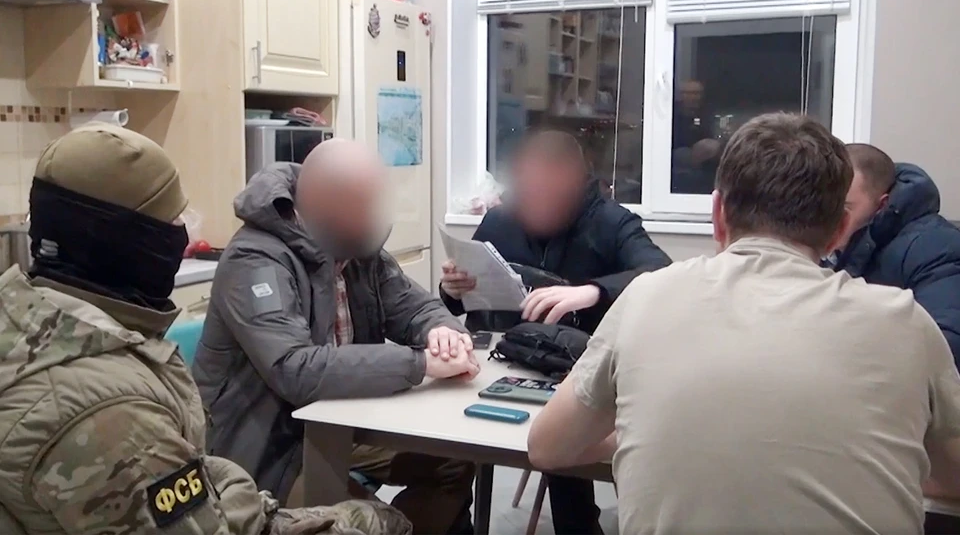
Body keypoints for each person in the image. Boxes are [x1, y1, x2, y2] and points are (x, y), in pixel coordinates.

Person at [528, 113, 960, 535]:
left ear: (717, 214)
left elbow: (547, 447)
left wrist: (634, 436)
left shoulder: (646, 298)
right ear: (840, 229)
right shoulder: (906, 323)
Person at [0, 124, 410, 534]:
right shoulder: (110, 410)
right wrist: (368, 520)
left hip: (241, 478)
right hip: (270, 457)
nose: (182, 237)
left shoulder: (28, 319)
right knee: (381, 520)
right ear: (122, 239)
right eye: (171, 221)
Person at [193, 139, 477, 535]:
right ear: (327, 212)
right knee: (366, 522)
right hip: (271, 450)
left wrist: (443, 333)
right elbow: (295, 369)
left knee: (453, 461)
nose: (380, 219)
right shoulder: (255, 260)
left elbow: (414, 307)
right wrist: (421, 363)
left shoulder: (356, 248)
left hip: (342, 423)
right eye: (366, 208)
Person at [441, 129, 671, 535]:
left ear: (579, 183)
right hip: (506, 361)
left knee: (564, 446)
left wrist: (592, 291)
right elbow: (460, 302)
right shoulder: (501, 220)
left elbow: (662, 272)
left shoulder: (611, 221)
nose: (538, 202)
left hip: (583, 370)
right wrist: (453, 289)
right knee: (451, 442)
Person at [830, 144, 960, 364]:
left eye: (844, 208)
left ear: (882, 205)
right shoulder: (822, 243)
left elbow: (946, 345)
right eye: (824, 206)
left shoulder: (937, 247)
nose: (828, 217)